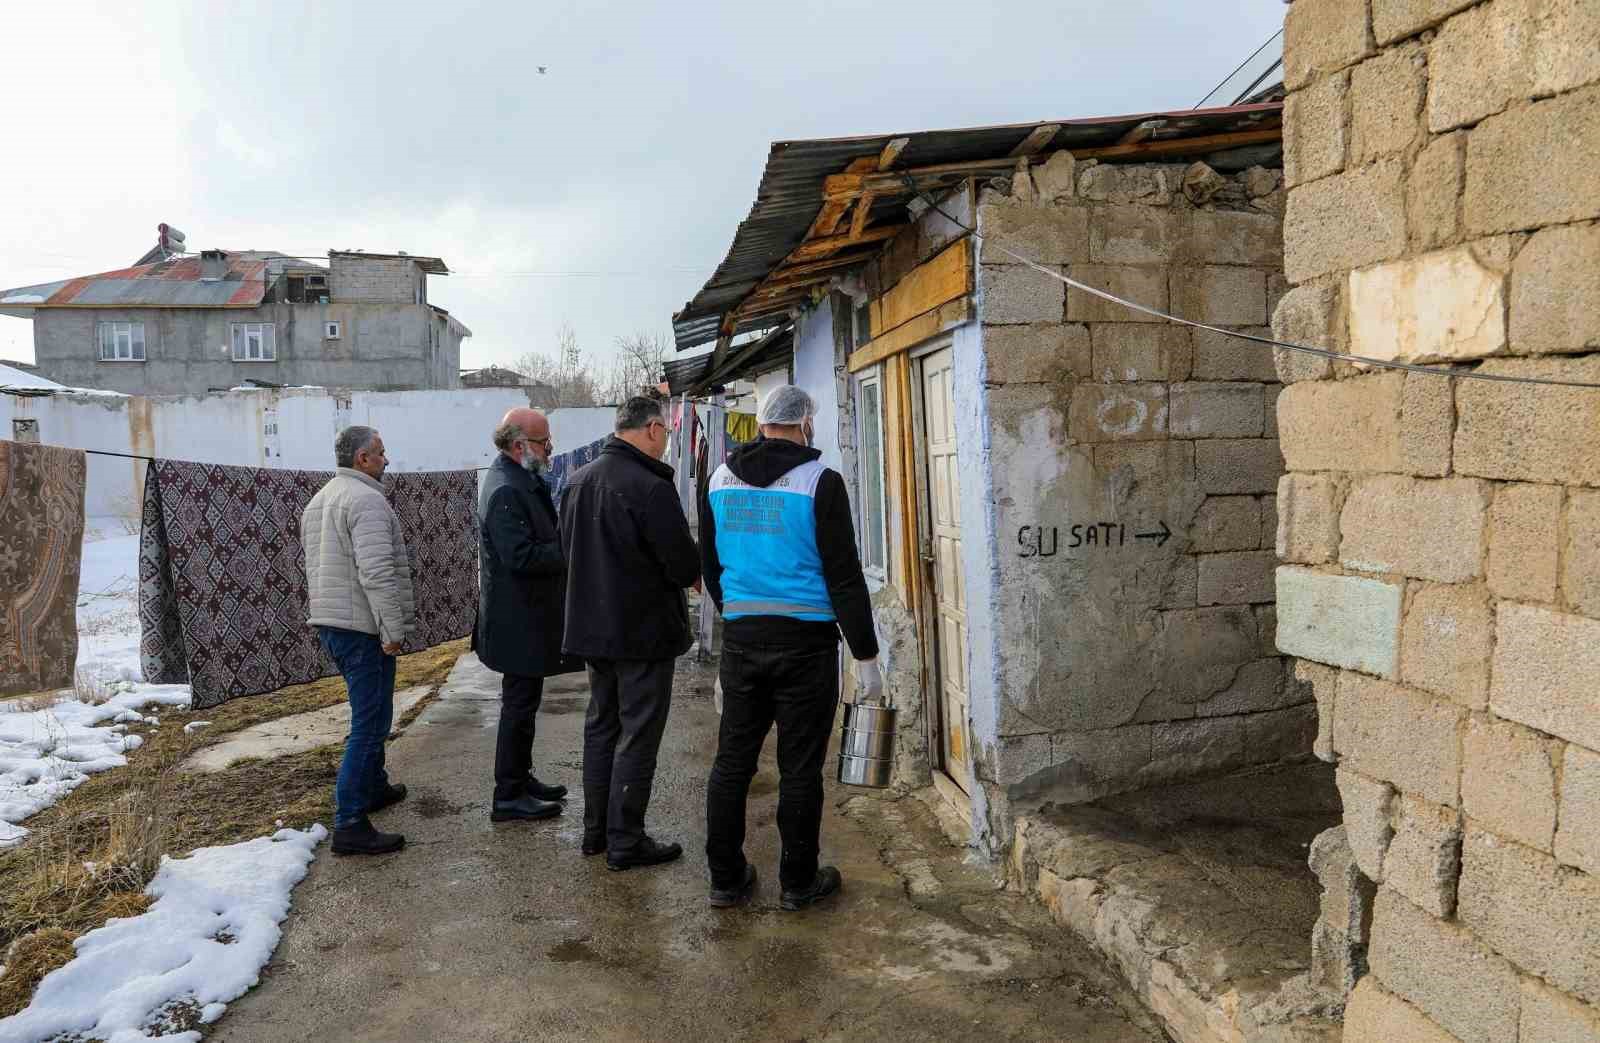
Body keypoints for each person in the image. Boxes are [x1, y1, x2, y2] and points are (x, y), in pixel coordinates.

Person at [698, 385, 879, 911]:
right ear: (802, 423)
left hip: (744, 641)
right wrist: (866, 657)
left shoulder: (719, 479)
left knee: (733, 763)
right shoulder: (820, 482)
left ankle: (726, 879)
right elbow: (844, 576)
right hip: (806, 645)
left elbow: (709, 565)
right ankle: (798, 882)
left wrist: (738, 617)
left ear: (762, 423)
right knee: (800, 769)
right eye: (811, 421)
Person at [560, 396, 701, 871]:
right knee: (638, 733)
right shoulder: (650, 486)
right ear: (655, 430)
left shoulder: (577, 481)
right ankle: (626, 839)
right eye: (666, 435)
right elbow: (682, 565)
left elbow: (568, 551)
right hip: (642, 632)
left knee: (603, 726)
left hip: (593, 630)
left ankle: (595, 833)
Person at [302, 425, 417, 857]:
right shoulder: (366, 500)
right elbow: (376, 572)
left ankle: (374, 787)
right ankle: (349, 823)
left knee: (375, 712)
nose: (387, 460)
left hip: (335, 623)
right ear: (363, 459)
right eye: (382, 453)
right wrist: (392, 630)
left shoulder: (321, 498)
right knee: (368, 726)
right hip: (361, 627)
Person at [474, 407, 581, 824]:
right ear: (519, 445)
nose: (551, 447)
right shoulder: (505, 488)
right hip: (516, 622)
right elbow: (519, 557)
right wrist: (571, 549)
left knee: (525, 703)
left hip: (525, 617)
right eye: (543, 441)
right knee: (518, 707)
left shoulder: (518, 476)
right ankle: (508, 795)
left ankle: (521, 777)